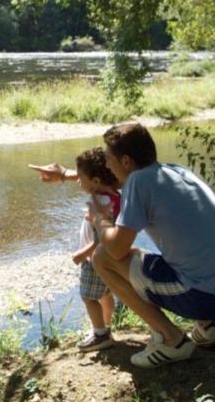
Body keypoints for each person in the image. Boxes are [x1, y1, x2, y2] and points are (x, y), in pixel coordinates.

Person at [35, 123, 215, 368]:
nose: (107, 165)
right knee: (176, 254)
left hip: (207, 296)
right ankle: (208, 325)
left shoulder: (138, 182)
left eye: (108, 159)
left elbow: (116, 249)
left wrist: (99, 218)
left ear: (126, 161)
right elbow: (113, 181)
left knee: (102, 258)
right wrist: (67, 175)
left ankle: (172, 340)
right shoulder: (174, 171)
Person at [69, 148, 122, 351]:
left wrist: (82, 254)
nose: (78, 180)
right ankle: (106, 327)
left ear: (96, 181)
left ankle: (100, 334)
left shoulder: (98, 204)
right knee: (105, 294)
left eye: (81, 177)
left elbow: (101, 238)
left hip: (94, 259)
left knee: (89, 297)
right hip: (109, 258)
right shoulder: (114, 197)